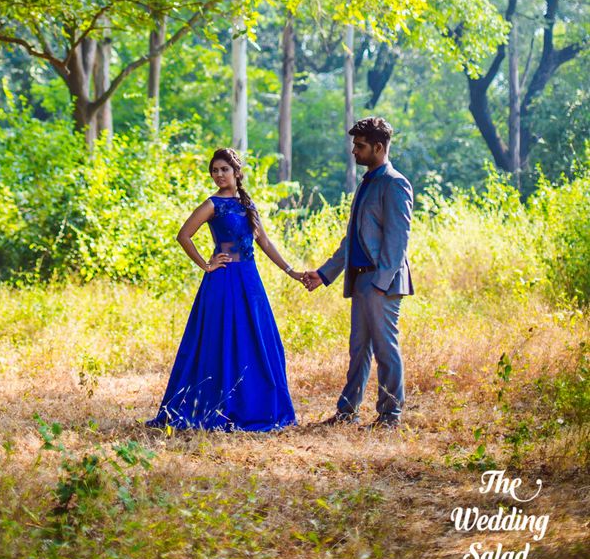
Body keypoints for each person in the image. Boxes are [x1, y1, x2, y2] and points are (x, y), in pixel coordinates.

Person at [147, 147, 299, 433]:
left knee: (258, 340)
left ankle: (256, 404)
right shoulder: (212, 204)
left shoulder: (246, 203)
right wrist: (206, 264)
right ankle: (217, 404)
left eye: (223, 170)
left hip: (249, 280)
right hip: (224, 280)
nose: (218, 175)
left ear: (236, 172)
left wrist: (291, 271)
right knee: (220, 342)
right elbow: (184, 235)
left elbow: (264, 242)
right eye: (214, 171)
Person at [302, 116, 413, 431]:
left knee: (385, 349)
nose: (354, 150)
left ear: (378, 147)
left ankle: (390, 416)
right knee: (358, 350)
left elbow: (397, 240)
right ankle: (347, 411)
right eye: (354, 144)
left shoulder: (395, 183)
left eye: (360, 145)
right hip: (360, 279)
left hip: (382, 281)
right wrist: (324, 274)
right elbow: (352, 240)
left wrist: (380, 284)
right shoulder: (367, 183)